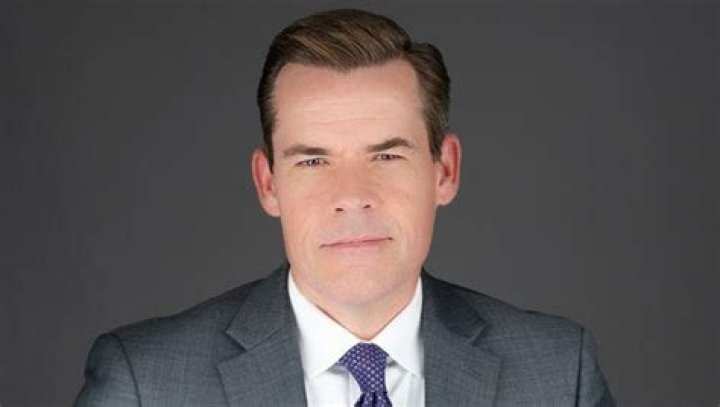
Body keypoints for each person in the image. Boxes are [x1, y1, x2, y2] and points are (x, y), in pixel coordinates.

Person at [75, 9, 614, 406]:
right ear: (268, 184)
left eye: (386, 156)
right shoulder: (145, 383)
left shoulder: (558, 374)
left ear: (444, 171)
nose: (352, 195)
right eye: (313, 161)